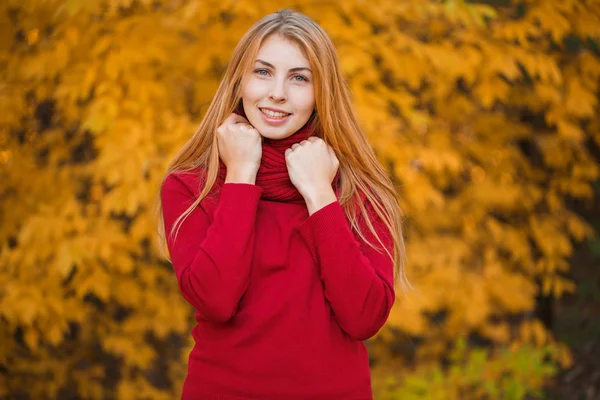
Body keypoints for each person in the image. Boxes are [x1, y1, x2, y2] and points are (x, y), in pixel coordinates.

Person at [157, 8, 408, 400]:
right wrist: (241, 173)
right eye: (262, 72)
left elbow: (364, 317)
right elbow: (216, 300)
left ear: (322, 91)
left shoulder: (358, 188)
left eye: (299, 78)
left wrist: (320, 195)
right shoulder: (191, 186)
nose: (277, 92)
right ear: (240, 80)